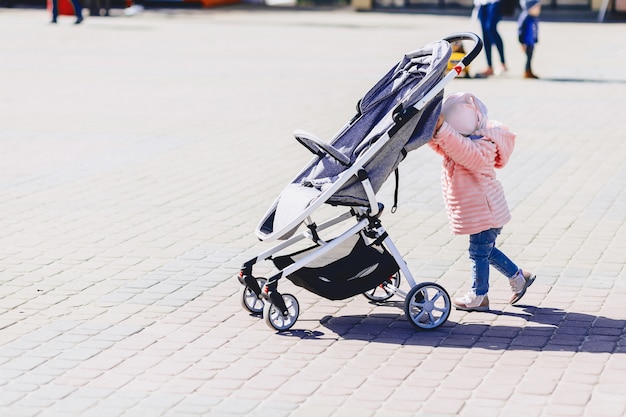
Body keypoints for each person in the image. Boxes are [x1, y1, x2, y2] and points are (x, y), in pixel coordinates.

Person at [429, 92, 535, 311]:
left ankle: (479, 295)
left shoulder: (482, 146)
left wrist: (443, 131)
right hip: (481, 212)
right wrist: (432, 130)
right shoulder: (462, 141)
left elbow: (464, 152)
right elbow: (444, 145)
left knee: (478, 252)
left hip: (487, 212)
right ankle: (519, 277)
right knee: (485, 251)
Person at [473, 0, 507, 78]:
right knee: (485, 33)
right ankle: (489, 66)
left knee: (491, 28)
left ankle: (503, 63)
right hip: (481, 3)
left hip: (494, 2)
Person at [518, 0, 541, 79]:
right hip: (527, 42)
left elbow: (535, 30)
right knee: (528, 57)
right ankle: (527, 71)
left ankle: (529, 70)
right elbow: (520, 31)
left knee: (530, 57)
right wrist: (522, 42)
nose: (539, 9)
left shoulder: (534, 18)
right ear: (530, 8)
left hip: (531, 42)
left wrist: (536, 39)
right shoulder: (525, 18)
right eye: (537, 7)